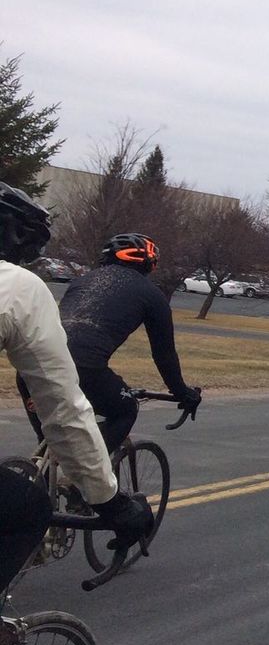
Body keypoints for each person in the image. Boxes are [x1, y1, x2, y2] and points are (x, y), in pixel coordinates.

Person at [0, 184, 152, 587]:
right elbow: (64, 407)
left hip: (36, 368)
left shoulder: (86, 281)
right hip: (68, 368)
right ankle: (80, 483)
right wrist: (111, 502)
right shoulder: (21, 284)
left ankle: (55, 468)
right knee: (29, 508)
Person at [19, 231, 201, 456]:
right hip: (81, 369)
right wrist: (183, 393)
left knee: (49, 442)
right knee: (125, 410)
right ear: (150, 264)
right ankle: (89, 471)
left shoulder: (81, 282)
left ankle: (40, 470)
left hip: (31, 362)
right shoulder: (152, 295)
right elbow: (164, 355)